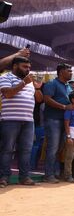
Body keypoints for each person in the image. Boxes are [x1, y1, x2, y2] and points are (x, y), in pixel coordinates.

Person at [0, 56, 43, 187]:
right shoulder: (5, 78)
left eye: (29, 67)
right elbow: (7, 94)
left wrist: (36, 88)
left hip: (28, 121)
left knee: (26, 150)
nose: (28, 69)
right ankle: (4, 177)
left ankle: (24, 177)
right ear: (15, 66)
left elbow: (39, 100)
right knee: (7, 149)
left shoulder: (29, 81)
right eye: (25, 67)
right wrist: (24, 82)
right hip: (9, 120)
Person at [42, 63, 73, 183]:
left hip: (66, 121)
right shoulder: (52, 84)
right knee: (53, 147)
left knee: (60, 148)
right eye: (69, 71)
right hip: (53, 119)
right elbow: (47, 99)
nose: (71, 73)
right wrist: (64, 107)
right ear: (61, 72)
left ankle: (56, 173)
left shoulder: (69, 87)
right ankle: (48, 175)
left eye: (71, 71)